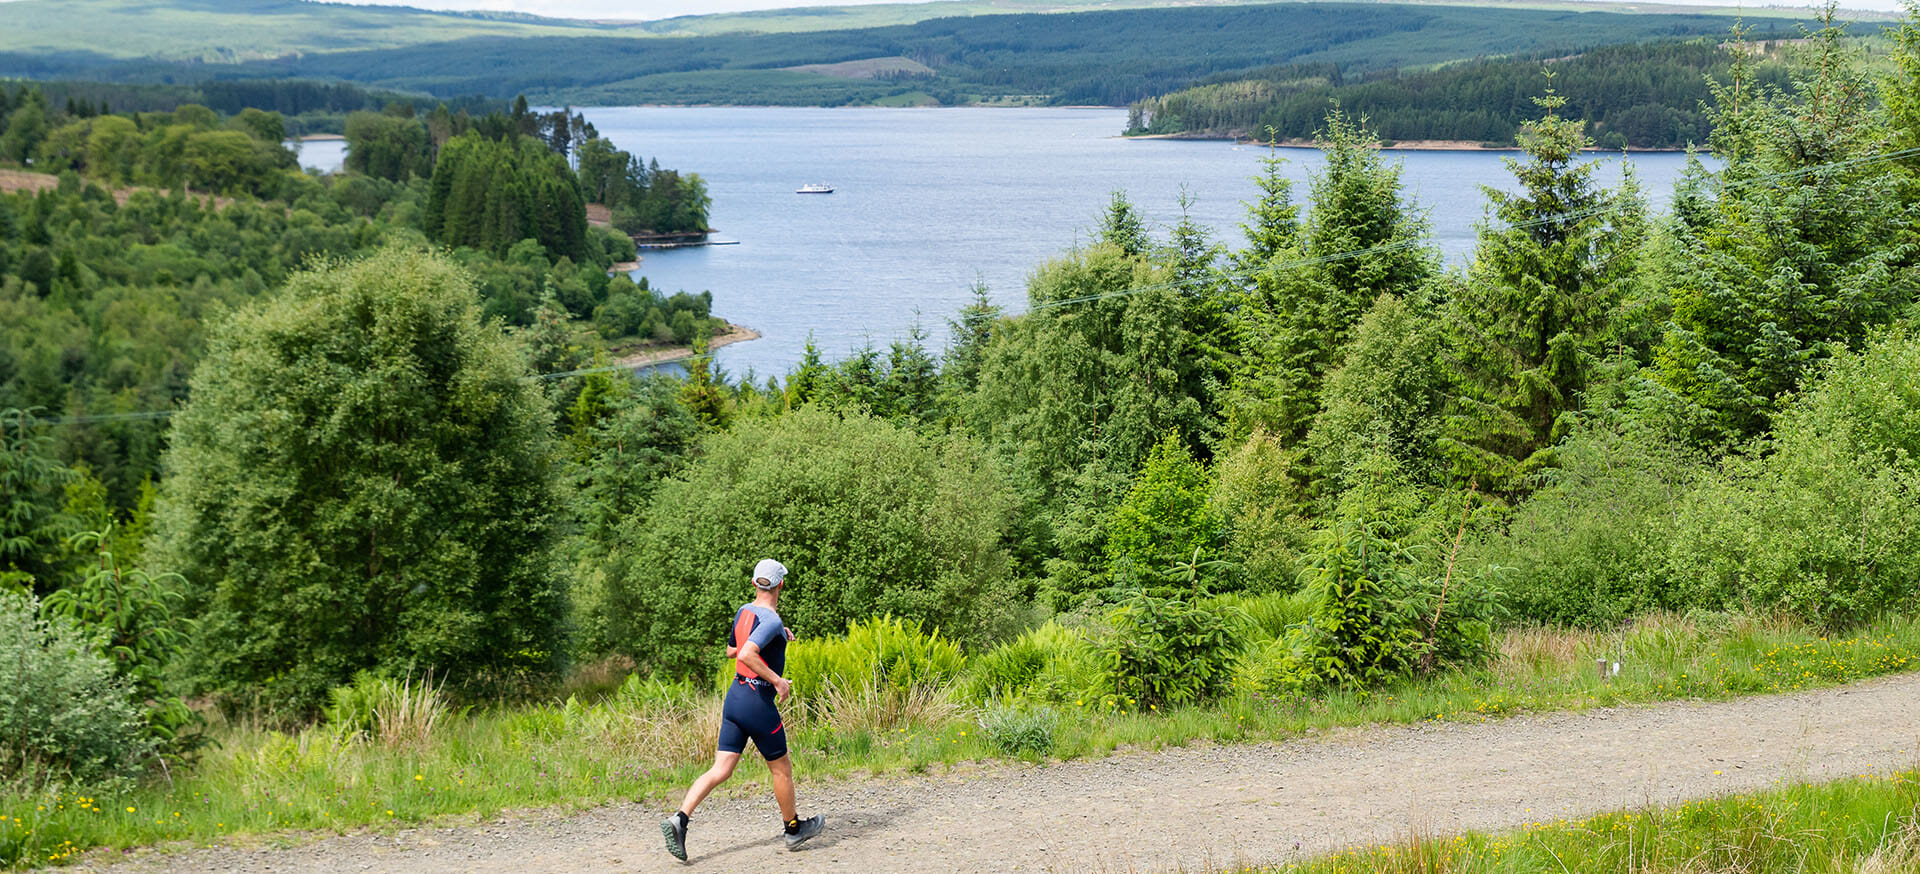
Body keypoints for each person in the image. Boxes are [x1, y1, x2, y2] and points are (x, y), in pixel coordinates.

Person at [662, 558, 824, 861]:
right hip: (756, 701)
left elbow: (732, 650)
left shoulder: (744, 611)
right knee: (781, 767)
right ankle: (793, 830)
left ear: (754, 583)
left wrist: (776, 637)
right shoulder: (771, 620)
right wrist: (778, 681)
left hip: (735, 696)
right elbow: (748, 652)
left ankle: (679, 820)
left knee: (721, 769)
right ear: (781, 585)